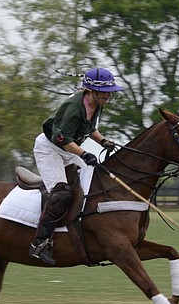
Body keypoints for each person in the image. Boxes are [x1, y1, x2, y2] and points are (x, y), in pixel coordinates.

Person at [29, 67, 124, 265]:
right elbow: (62, 139)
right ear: (92, 90)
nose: (110, 95)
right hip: (51, 149)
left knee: (94, 182)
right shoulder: (73, 107)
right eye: (106, 92)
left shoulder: (96, 104)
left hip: (67, 149)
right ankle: (39, 243)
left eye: (110, 91)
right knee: (61, 193)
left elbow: (89, 128)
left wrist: (102, 141)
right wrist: (84, 153)